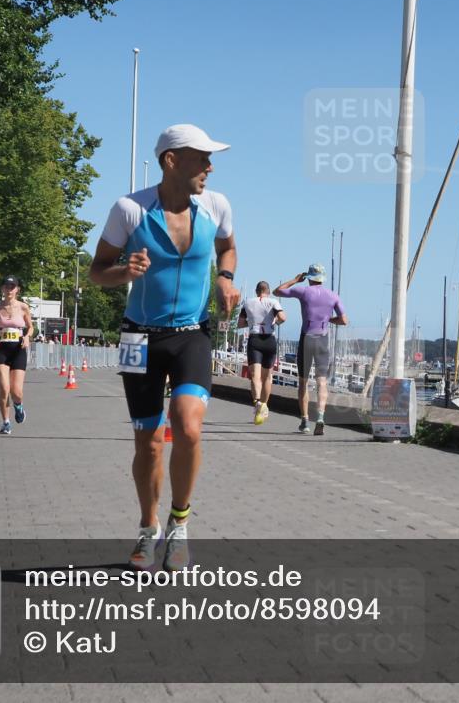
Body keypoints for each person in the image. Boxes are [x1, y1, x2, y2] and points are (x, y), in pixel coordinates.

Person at [89, 124, 239, 572]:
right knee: (149, 444)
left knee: (188, 427)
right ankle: (147, 527)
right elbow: (97, 271)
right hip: (139, 336)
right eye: (202, 158)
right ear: (172, 161)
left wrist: (225, 278)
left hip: (192, 332)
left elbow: (228, 249)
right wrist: (124, 271)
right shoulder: (129, 210)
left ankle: (180, 524)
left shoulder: (216, 205)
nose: (210, 167)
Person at [274, 264, 347, 436]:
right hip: (322, 339)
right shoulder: (333, 296)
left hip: (306, 338)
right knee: (322, 382)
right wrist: (330, 320)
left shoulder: (303, 291)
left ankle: (305, 421)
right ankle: (320, 417)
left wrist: (295, 279)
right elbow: (344, 320)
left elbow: (277, 291)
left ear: (310, 277)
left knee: (303, 382)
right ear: (323, 278)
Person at [0, 276, 32, 434]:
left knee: (16, 392)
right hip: (1, 349)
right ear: (2, 289)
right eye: (6, 286)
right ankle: (6, 422)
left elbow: (30, 327)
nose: (9, 289)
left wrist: (27, 337)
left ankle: (18, 406)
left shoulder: (23, 307)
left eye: (12, 286)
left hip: (18, 349)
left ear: (17, 289)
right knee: (4, 389)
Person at [237, 281, 286, 424]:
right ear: (268, 291)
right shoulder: (273, 302)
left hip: (255, 340)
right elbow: (283, 318)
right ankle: (264, 405)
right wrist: (274, 321)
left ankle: (257, 402)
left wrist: (252, 323)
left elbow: (240, 324)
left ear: (256, 291)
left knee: (255, 377)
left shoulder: (248, 303)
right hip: (269, 340)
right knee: (267, 377)